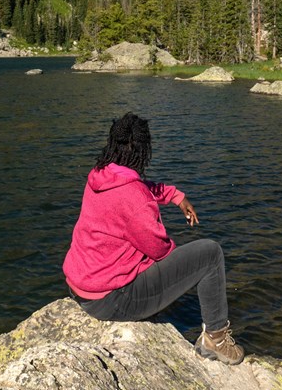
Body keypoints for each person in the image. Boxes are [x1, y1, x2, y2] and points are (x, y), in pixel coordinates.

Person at [63, 112, 244, 365]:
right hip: (110, 300)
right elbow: (160, 250)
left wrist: (174, 195)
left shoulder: (99, 175)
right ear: (144, 150)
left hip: (80, 287)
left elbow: (137, 187)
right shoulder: (135, 198)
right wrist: (181, 266)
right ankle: (216, 338)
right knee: (210, 254)